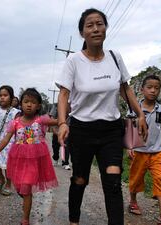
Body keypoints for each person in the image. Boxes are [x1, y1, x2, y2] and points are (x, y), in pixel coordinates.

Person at [55, 8, 148, 225]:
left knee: (113, 181)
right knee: (79, 180)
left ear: (105, 28)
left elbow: (126, 88)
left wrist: (140, 114)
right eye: (90, 25)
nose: (96, 29)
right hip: (81, 131)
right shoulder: (74, 61)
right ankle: (74, 221)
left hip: (111, 131)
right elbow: (64, 93)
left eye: (100, 24)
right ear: (82, 33)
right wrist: (61, 123)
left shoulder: (115, 57)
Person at [0, 88, 58, 225]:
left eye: (33, 102)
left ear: (38, 106)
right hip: (18, 160)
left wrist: (68, 115)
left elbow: (58, 121)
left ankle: (25, 219)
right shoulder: (15, 123)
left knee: (26, 188)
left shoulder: (41, 120)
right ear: (21, 104)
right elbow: (6, 139)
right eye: (26, 101)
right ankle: (25, 195)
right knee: (20, 187)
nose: (29, 105)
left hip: (34, 161)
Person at [127, 75, 161, 225]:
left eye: (156, 88)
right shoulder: (134, 108)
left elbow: (158, 126)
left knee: (160, 179)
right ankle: (133, 202)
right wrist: (129, 147)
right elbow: (129, 128)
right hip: (139, 151)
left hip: (158, 151)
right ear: (142, 89)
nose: (153, 91)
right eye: (149, 87)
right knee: (136, 179)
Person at [0, 85, 20, 196]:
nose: (2, 98)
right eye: (0, 95)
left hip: (9, 142)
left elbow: (18, 128)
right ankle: (1, 179)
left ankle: (8, 184)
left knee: (7, 165)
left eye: (5, 95)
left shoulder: (16, 112)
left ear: (11, 97)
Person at [49, 103, 71, 170]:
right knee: (55, 146)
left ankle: (65, 163)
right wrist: (54, 130)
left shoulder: (74, 106)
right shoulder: (56, 106)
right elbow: (52, 119)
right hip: (57, 129)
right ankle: (55, 158)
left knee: (65, 146)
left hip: (67, 130)